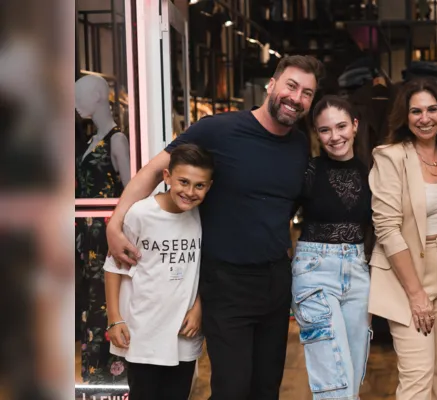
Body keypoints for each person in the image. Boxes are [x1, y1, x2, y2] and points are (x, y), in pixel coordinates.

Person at [106, 55, 324, 399]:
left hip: (275, 282)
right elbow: (152, 171)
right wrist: (115, 224)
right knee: (232, 388)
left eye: (307, 93)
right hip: (226, 282)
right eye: (291, 86)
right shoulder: (218, 129)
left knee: (266, 388)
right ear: (273, 84)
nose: (296, 98)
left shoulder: (299, 145)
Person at [368, 78, 437, 400]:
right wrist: (416, 294)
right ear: (405, 116)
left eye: (431, 109)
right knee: (417, 375)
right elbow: (386, 228)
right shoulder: (390, 156)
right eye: (416, 111)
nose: (425, 118)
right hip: (406, 273)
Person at [103, 144, 213, 400]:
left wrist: (198, 307)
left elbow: (202, 269)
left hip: (183, 335)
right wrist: (115, 318)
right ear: (166, 177)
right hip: (143, 332)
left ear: (209, 186)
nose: (189, 192)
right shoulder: (140, 214)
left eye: (199, 185)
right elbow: (112, 267)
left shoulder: (201, 217)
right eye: (183, 182)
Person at [291, 95, 373, 399]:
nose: (335, 136)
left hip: (358, 272)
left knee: (350, 378)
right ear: (316, 133)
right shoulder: (308, 172)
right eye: (325, 130)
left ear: (354, 126)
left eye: (341, 126)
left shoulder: (371, 172)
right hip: (314, 272)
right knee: (333, 382)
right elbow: (277, 216)